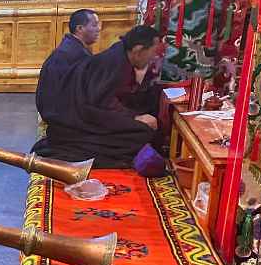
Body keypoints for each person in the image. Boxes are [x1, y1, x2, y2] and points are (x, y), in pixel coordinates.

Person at [31, 25, 163, 168]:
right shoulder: (115, 62)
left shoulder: (121, 53)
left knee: (142, 122)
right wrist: (134, 118)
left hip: (84, 112)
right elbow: (100, 105)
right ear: (138, 51)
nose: (154, 58)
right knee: (142, 133)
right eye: (153, 52)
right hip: (74, 120)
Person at [36, 9, 100, 126]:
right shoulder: (73, 55)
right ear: (79, 28)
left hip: (60, 112)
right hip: (63, 118)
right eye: (94, 25)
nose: (99, 29)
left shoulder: (72, 48)